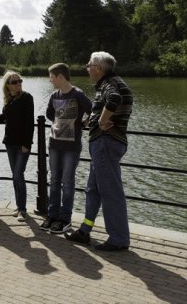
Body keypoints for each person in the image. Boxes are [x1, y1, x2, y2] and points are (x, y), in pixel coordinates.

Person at [65, 51, 134, 252]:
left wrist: (103, 121)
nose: (87, 68)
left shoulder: (109, 84)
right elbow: (110, 103)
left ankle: (119, 239)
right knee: (92, 190)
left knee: (111, 192)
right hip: (104, 143)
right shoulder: (112, 82)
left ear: (99, 68)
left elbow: (113, 98)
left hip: (106, 143)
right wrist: (93, 121)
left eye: (89, 65)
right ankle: (85, 231)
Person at [40, 63, 92, 235]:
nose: (51, 80)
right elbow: (49, 114)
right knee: (54, 180)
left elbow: (94, 110)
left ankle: (65, 219)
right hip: (54, 144)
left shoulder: (77, 94)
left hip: (71, 146)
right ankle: (52, 216)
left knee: (67, 182)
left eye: (52, 77)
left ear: (60, 77)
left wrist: (84, 123)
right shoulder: (54, 95)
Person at [0, 70, 34, 222]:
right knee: (16, 177)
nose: (18, 84)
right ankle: (19, 206)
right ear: (7, 86)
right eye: (14, 82)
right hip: (10, 143)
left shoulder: (27, 98)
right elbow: (4, 118)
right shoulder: (9, 100)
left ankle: (22, 210)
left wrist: (27, 144)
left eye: (20, 81)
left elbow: (30, 123)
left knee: (18, 175)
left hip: (22, 145)